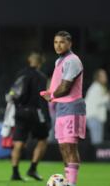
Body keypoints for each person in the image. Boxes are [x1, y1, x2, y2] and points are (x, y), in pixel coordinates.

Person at [40, 31, 86, 186]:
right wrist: (52, 95)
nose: (58, 45)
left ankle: (72, 183)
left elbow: (66, 86)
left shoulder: (72, 60)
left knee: (70, 147)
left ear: (70, 43)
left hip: (72, 107)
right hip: (61, 108)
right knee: (64, 148)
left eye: (62, 42)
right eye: (55, 42)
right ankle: (67, 182)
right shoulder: (60, 61)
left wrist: (51, 95)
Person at [6, 52, 50, 181]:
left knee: (18, 142)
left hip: (20, 111)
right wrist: (47, 117)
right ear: (41, 62)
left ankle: (15, 172)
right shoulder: (41, 77)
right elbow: (42, 98)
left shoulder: (20, 74)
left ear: (29, 60)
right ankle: (33, 168)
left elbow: (12, 93)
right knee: (43, 139)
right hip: (35, 112)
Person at [85, 69, 110, 144]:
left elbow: (106, 104)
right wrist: (108, 96)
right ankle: (93, 156)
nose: (106, 78)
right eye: (103, 76)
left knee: (98, 142)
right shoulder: (96, 87)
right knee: (97, 144)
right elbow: (101, 100)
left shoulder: (100, 88)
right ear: (98, 77)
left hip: (95, 118)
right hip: (94, 118)